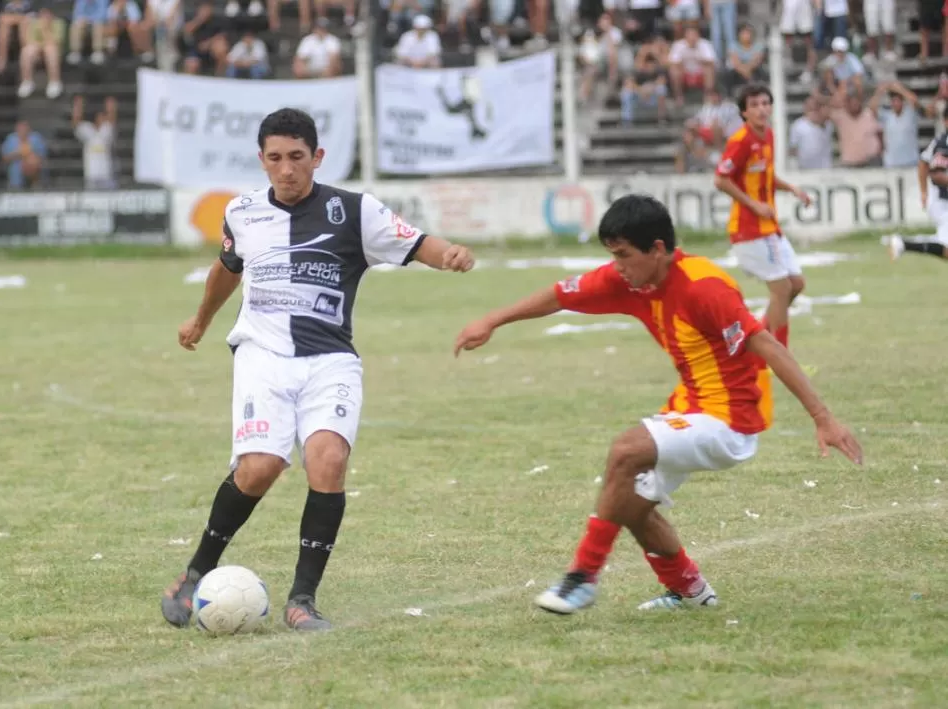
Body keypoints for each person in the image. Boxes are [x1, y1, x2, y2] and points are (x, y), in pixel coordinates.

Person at [454, 194, 863, 614]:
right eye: (612, 256)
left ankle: (581, 578)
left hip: (730, 421)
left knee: (626, 450)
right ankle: (691, 593)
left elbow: (768, 346)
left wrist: (823, 418)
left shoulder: (705, 287)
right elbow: (560, 295)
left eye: (624, 255)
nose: (617, 266)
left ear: (658, 249)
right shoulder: (628, 280)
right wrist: (492, 320)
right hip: (687, 410)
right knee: (630, 503)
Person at [161, 108, 475, 632]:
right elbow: (227, 269)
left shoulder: (354, 210)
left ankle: (302, 600)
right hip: (262, 356)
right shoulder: (242, 213)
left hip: (330, 360)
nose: (287, 170)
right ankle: (196, 572)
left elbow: (418, 244)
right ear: (261, 160)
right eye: (276, 159)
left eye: (297, 158)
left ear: (317, 157)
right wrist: (200, 319)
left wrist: (451, 256)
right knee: (258, 469)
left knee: (326, 461)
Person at [714, 83, 811, 352]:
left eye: (765, 103)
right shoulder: (740, 140)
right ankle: (780, 355)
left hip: (769, 228)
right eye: (754, 105)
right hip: (748, 230)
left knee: (796, 285)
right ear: (744, 112)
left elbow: (765, 176)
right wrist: (754, 205)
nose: (762, 109)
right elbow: (721, 179)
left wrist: (791, 188)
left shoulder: (767, 135)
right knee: (781, 289)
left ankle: (755, 341)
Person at [885, 123, 948, 261]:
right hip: (942, 201)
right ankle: (903, 243)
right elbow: (935, 173)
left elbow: (923, 162)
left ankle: (904, 243)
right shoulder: (943, 143)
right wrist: (924, 192)